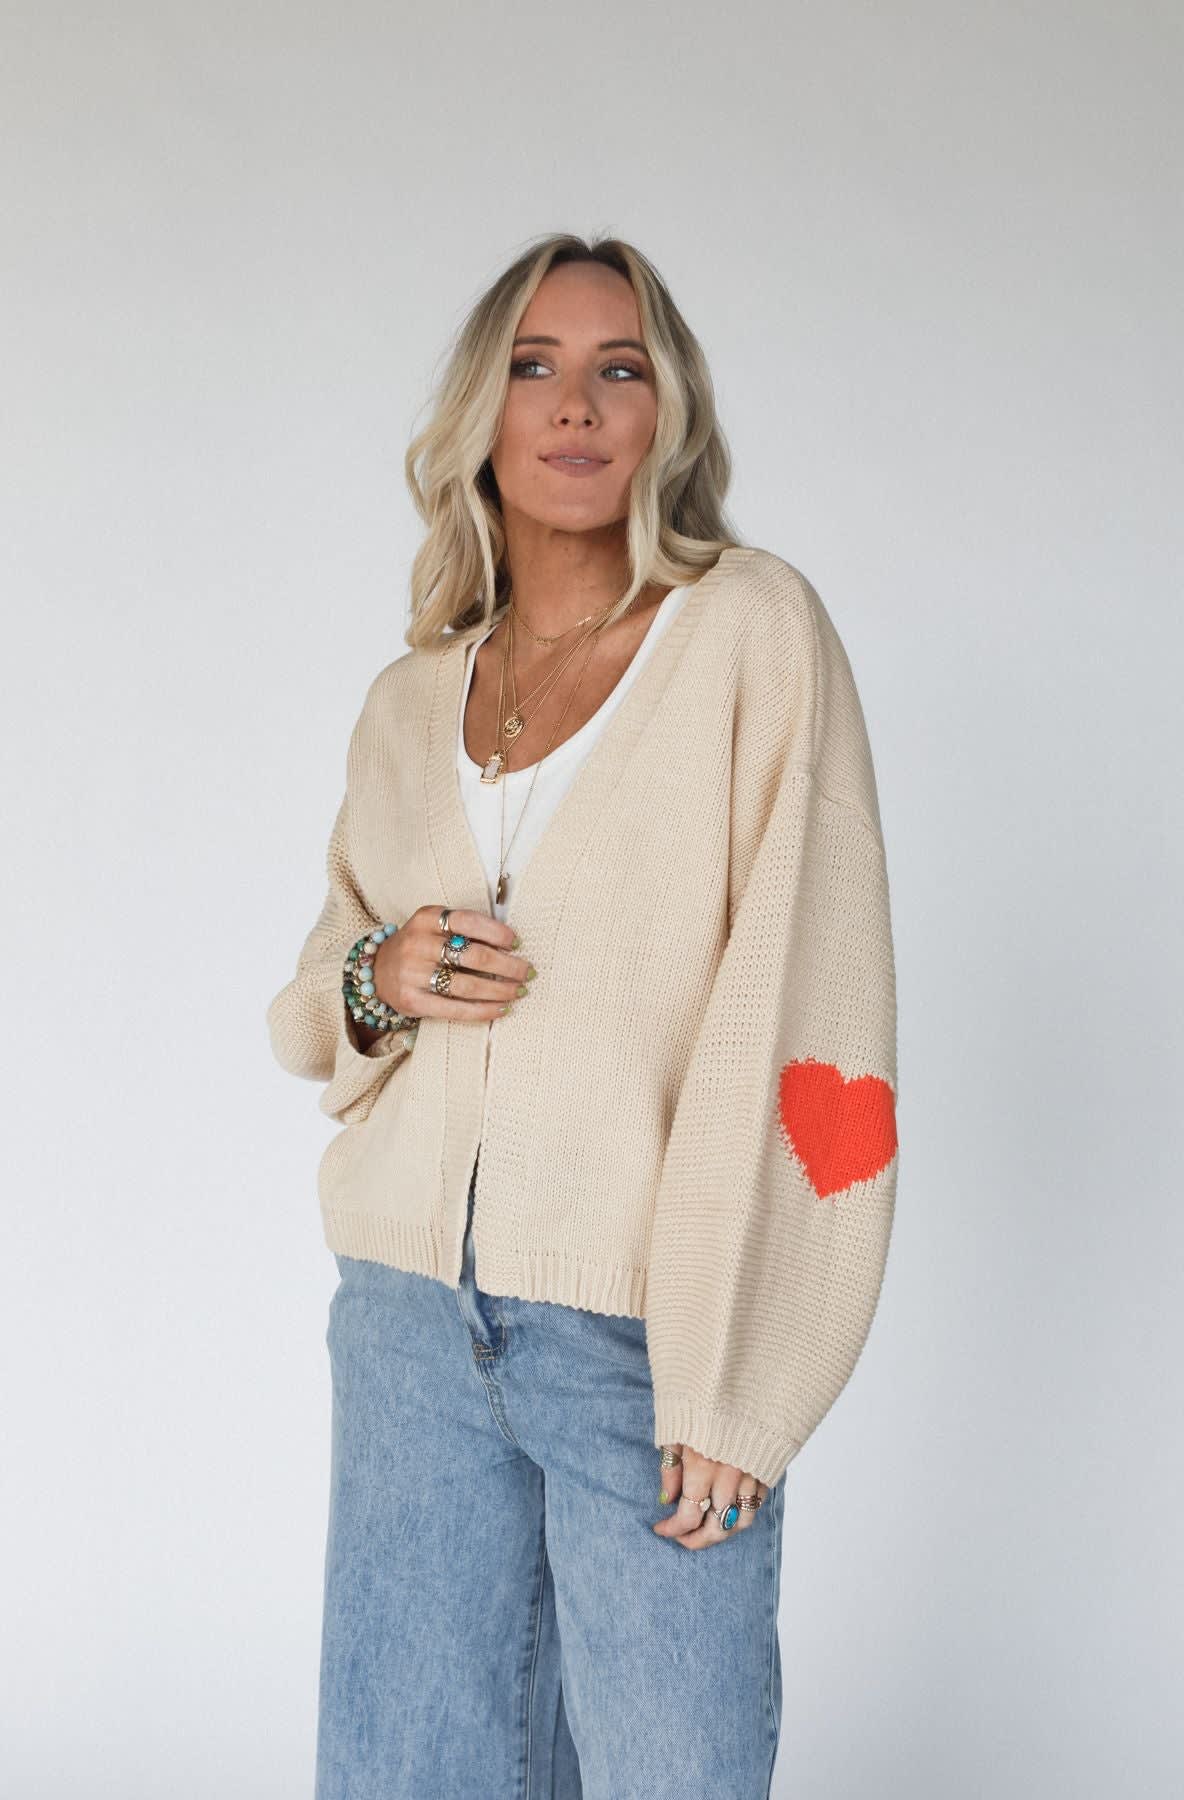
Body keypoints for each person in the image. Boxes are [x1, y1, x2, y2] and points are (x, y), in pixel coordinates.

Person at [266, 231, 900, 1798]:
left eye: (620, 368)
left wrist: (751, 1375)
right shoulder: (410, 700)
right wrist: (381, 977)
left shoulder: (751, 632)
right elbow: (317, 996)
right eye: (534, 368)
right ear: (480, 414)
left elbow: (821, 1007)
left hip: (646, 1335)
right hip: (408, 1325)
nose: (575, 405)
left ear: (666, 409)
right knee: (406, 1773)